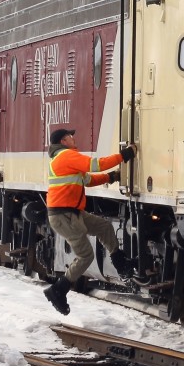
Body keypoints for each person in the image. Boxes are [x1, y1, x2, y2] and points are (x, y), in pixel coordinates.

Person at [42, 127, 137, 315]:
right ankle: (58, 290)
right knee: (86, 256)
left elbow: (87, 180)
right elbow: (96, 164)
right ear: (63, 141)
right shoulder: (66, 156)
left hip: (72, 213)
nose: (73, 138)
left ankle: (120, 264)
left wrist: (110, 177)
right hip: (64, 215)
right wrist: (125, 155)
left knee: (104, 227)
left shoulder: (65, 159)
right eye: (70, 136)